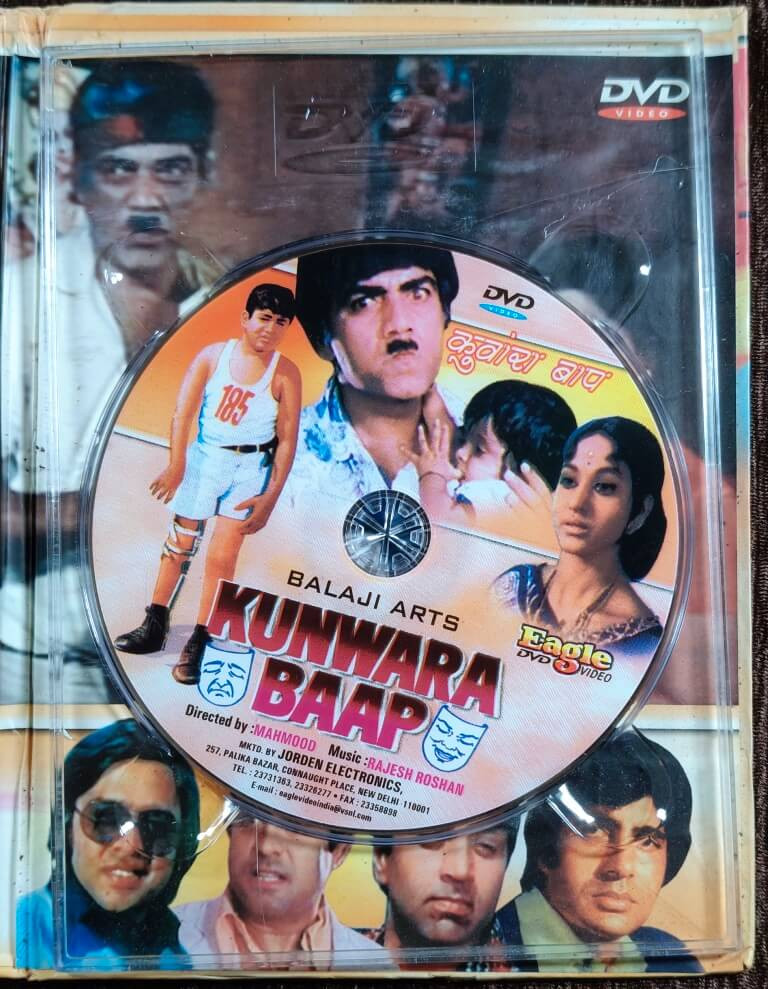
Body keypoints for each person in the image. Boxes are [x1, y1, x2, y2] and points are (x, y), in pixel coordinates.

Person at [1, 60, 218, 699]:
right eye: (119, 169)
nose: (146, 200)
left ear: (203, 174)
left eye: (170, 168)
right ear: (79, 179)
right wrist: (118, 504)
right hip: (34, 663)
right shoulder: (19, 298)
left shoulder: (230, 307)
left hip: (178, 669)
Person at [113, 283, 301, 685]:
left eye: (281, 322)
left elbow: (287, 440)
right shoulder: (213, 356)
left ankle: (200, 638)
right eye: (264, 318)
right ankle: (155, 622)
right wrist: (176, 464)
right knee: (179, 545)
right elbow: (183, 412)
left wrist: (270, 497)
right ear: (246, 318)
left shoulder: (285, 372)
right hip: (206, 458)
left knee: (222, 556)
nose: (270, 329)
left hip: (251, 467)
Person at [495, 731, 702, 974]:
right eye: (593, 830)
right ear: (545, 848)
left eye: (647, 841)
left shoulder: (671, 959)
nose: (621, 867)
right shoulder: (482, 944)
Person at [16, 719, 200, 970]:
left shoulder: (177, 954)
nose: (131, 846)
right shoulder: (18, 929)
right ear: (66, 825)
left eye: (157, 827)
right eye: (106, 819)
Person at [494, 416, 666, 656]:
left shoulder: (640, 643)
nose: (577, 503)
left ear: (640, 512)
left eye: (604, 486)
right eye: (569, 480)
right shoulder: (514, 584)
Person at [175, 814, 392, 969]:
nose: (266, 847)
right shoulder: (163, 940)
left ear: (339, 852)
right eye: (248, 818)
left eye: (294, 823)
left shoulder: (377, 966)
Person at [408, 380, 575, 537]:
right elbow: (445, 434)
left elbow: (438, 517)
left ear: (521, 475)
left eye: (479, 450)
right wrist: (432, 399)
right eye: (464, 438)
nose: (461, 453)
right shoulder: (495, 490)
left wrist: (431, 476)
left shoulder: (496, 495)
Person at [360, 823, 518, 971]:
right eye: (432, 836)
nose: (460, 871)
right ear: (381, 858)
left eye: (486, 845)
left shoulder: (524, 977)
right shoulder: (347, 951)